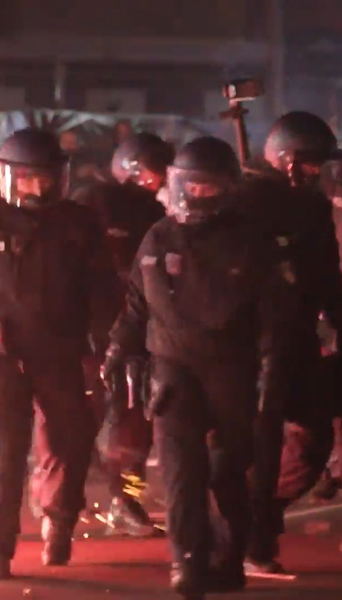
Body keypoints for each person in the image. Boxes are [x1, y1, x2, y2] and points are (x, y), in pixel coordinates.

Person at [103, 136, 293, 599]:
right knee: (180, 472)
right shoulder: (160, 236)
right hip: (173, 369)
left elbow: (274, 314)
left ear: (227, 188)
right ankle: (186, 563)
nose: (200, 196)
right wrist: (117, 350)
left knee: (230, 470)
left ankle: (228, 559)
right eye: (194, 186)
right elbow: (136, 306)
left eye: (210, 188)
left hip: (234, 370)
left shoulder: (252, 242)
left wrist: (271, 371)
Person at [0, 128, 120, 579]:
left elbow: (103, 289)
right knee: (0, 452)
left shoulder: (78, 222)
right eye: (27, 180)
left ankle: (58, 525)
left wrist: (106, 348)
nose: (37, 188)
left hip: (64, 351)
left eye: (45, 179)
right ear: (5, 177)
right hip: (1, 355)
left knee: (66, 443)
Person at [242, 111, 342, 574]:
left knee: (311, 442)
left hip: (298, 341)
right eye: (312, 165)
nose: (318, 175)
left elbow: (325, 279)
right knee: (252, 448)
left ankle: (256, 522)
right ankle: (249, 541)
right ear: (287, 161)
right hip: (249, 344)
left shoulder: (315, 210)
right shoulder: (242, 203)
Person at [74, 132, 173, 536]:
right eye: (153, 174)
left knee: (132, 421)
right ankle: (73, 495)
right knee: (78, 418)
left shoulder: (155, 213)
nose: (158, 182)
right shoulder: (89, 204)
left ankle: (124, 497)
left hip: (135, 332)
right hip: (87, 331)